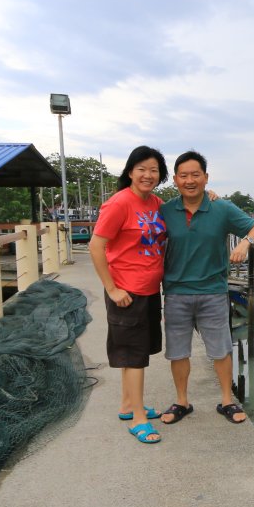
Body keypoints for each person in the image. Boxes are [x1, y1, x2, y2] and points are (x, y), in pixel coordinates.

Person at [158, 151, 254, 425]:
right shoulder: (165, 210)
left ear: (206, 178)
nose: (190, 180)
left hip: (213, 291)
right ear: (175, 180)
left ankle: (227, 400)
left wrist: (244, 244)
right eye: (183, 176)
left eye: (196, 175)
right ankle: (182, 401)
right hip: (176, 292)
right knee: (178, 351)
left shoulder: (222, 208)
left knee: (220, 349)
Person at [88, 146, 169, 444]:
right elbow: (96, 246)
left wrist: (210, 197)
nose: (148, 175)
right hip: (126, 291)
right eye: (142, 169)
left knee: (136, 352)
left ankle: (127, 405)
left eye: (154, 170)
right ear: (130, 171)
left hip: (149, 289)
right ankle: (138, 418)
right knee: (134, 357)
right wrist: (111, 288)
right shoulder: (119, 203)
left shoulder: (156, 203)